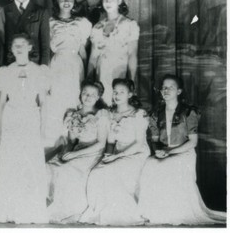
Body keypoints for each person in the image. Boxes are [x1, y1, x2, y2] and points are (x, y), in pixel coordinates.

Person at [137, 74, 226, 225]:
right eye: (164, 88)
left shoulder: (188, 112)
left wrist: (169, 152)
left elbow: (193, 142)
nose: (166, 90)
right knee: (149, 164)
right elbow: (155, 140)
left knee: (169, 166)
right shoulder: (155, 114)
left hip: (184, 152)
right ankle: (154, 212)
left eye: (171, 87)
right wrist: (158, 150)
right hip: (164, 152)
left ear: (178, 91)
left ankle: (175, 212)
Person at [79, 78, 149, 226]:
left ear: (130, 94)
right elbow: (110, 141)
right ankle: (98, 211)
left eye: (121, 92)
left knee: (111, 171)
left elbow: (139, 143)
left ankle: (121, 214)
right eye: (115, 92)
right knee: (97, 171)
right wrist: (108, 155)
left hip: (136, 153)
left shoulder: (139, 113)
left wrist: (118, 156)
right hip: (117, 152)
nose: (117, 95)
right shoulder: (109, 113)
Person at [0, 34, 49, 224]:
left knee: (30, 163)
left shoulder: (39, 71)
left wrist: (43, 129)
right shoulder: (5, 71)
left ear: (30, 47)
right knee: (12, 163)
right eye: (15, 45)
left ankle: (31, 210)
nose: (18, 48)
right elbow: (1, 103)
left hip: (31, 118)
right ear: (11, 49)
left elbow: (43, 102)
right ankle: (11, 210)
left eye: (22, 44)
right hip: (11, 118)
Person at [46, 81, 109, 223]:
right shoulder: (73, 114)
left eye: (93, 95)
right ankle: (56, 207)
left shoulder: (101, 115)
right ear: (80, 94)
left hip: (93, 152)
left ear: (98, 97)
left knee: (67, 170)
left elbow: (101, 144)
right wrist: (66, 153)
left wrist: (74, 155)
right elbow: (72, 141)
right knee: (52, 165)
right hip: (77, 149)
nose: (88, 97)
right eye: (85, 93)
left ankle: (73, 211)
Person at [45, 0, 93, 148]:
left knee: (73, 98)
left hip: (74, 65)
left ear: (74, 2)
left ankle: (72, 141)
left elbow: (82, 50)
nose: (66, 2)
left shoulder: (81, 23)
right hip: (57, 64)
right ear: (57, 2)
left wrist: (86, 74)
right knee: (57, 99)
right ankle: (57, 142)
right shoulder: (50, 22)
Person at [88, 0, 139, 104]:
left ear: (119, 1)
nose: (108, 3)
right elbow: (93, 57)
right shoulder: (97, 27)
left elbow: (132, 55)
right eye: (105, 0)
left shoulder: (129, 24)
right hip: (101, 72)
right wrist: (89, 82)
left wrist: (131, 81)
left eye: (112, 0)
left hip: (120, 70)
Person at [0, 0, 51, 66]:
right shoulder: (3, 11)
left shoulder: (41, 12)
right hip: (11, 64)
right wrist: (1, 67)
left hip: (34, 64)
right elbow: (0, 45)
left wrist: (43, 67)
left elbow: (45, 45)